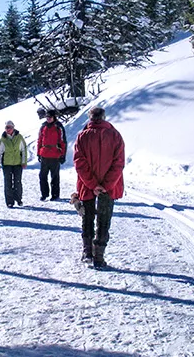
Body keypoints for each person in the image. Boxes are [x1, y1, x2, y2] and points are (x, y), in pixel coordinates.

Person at [72, 107, 125, 270]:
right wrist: (105, 185)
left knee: (87, 217)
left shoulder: (82, 136)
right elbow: (119, 163)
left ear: (90, 118)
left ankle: (87, 252)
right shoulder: (115, 135)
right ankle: (99, 257)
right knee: (104, 221)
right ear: (104, 117)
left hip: (87, 186)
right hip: (109, 188)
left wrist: (93, 184)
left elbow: (79, 162)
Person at [0, 121, 28, 208]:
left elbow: (24, 150)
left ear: (13, 128)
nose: (8, 129)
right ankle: (9, 201)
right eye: (6, 128)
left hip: (17, 163)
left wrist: (24, 162)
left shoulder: (19, 137)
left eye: (9, 127)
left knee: (18, 182)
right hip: (7, 164)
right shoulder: (3, 139)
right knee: (8, 183)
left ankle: (18, 199)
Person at [36, 109, 67, 201]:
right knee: (42, 176)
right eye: (47, 117)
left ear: (54, 117)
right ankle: (44, 194)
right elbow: (39, 140)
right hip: (44, 154)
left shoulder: (58, 127)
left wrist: (63, 155)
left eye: (50, 117)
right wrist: (38, 153)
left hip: (55, 155)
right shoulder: (43, 127)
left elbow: (63, 142)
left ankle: (55, 194)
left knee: (55, 176)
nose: (48, 119)